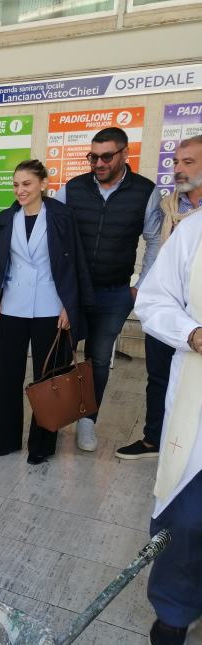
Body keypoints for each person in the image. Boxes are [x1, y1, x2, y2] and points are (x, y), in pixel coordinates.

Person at [0, 160, 92, 465]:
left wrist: (70, 305)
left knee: (48, 380)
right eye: (16, 184)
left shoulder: (61, 216)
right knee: (8, 377)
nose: (20, 190)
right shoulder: (5, 219)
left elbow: (74, 264)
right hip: (13, 306)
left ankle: (42, 445)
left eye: (26, 184)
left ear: (43, 183)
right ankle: (5, 439)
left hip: (50, 307)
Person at [55, 127, 158, 452]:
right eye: (93, 156)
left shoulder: (145, 191)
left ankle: (88, 422)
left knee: (98, 359)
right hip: (74, 292)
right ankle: (54, 417)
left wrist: (141, 286)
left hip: (115, 293)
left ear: (125, 154)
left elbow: (154, 240)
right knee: (59, 355)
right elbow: (52, 232)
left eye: (106, 156)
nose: (98, 163)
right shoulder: (72, 188)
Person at [134, 211, 202, 645]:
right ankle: (175, 610)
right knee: (187, 519)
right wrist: (192, 333)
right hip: (197, 400)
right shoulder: (195, 230)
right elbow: (153, 300)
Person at [117, 134, 202, 460]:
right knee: (158, 377)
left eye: (188, 162)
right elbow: (154, 244)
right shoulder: (168, 208)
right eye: (176, 162)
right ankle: (154, 440)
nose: (178, 169)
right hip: (166, 309)